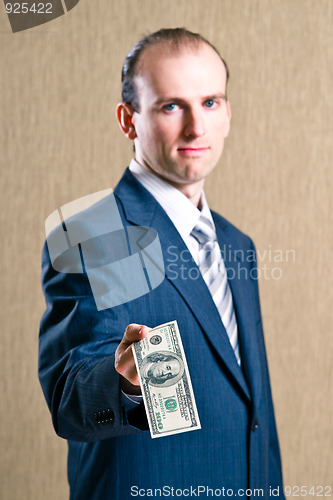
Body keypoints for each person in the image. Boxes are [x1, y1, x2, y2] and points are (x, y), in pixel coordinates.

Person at [39, 28, 285, 499]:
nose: (196, 127)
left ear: (228, 114)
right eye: (171, 106)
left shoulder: (238, 245)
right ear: (128, 120)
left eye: (210, 102)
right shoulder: (96, 235)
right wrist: (123, 385)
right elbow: (71, 398)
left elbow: (255, 416)